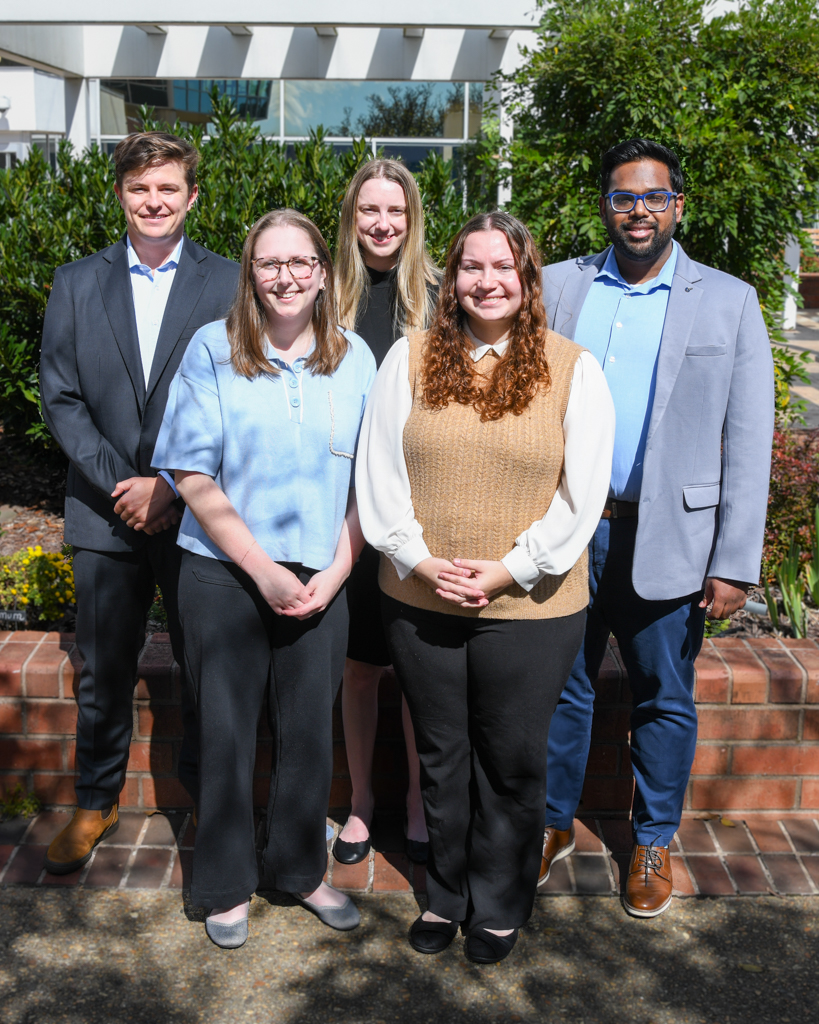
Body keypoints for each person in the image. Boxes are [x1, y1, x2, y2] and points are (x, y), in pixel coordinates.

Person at [357, 212, 614, 963]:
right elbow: (378, 475)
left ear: (527, 278)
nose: (487, 281)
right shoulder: (407, 358)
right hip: (420, 598)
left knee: (510, 760)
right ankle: (446, 895)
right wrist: (419, 560)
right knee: (440, 757)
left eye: (504, 267)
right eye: (472, 266)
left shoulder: (573, 369)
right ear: (452, 277)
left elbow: (581, 498)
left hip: (532, 608)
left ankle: (499, 904)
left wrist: (510, 570)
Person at [539, 139, 775, 918]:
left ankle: (651, 841)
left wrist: (734, 560)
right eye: (622, 197)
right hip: (568, 531)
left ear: (677, 205)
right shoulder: (558, 286)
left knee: (663, 698)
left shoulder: (728, 300)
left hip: (669, 537)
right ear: (604, 206)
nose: (637, 210)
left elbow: (749, 439)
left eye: (652, 197)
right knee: (559, 688)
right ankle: (551, 823)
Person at [152, 209, 376, 948]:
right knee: (225, 734)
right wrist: (262, 571)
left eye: (299, 262)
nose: (285, 277)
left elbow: (370, 483)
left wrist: (337, 571)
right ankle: (222, 884)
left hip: (322, 578)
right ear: (250, 274)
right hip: (225, 575)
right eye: (269, 263)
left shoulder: (356, 358)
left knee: (309, 734)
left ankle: (298, 871)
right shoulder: (212, 349)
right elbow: (192, 474)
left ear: (323, 272)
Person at [40, 132, 239, 875]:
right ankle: (96, 800)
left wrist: (171, 485)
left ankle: (207, 802)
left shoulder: (230, 282)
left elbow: (240, 394)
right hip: (104, 512)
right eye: (138, 188)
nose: (153, 202)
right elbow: (60, 396)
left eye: (167, 189)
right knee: (103, 669)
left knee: (207, 665)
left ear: (192, 196)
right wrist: (122, 483)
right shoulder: (75, 283)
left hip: (198, 513)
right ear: (120, 194)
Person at [332, 160, 439, 866]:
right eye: (369, 210)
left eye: (395, 211)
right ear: (351, 218)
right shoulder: (324, 296)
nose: (382, 223)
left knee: (418, 671)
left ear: (412, 218)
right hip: (345, 512)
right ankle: (363, 801)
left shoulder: (438, 296)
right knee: (361, 668)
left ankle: (418, 803)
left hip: (419, 511)